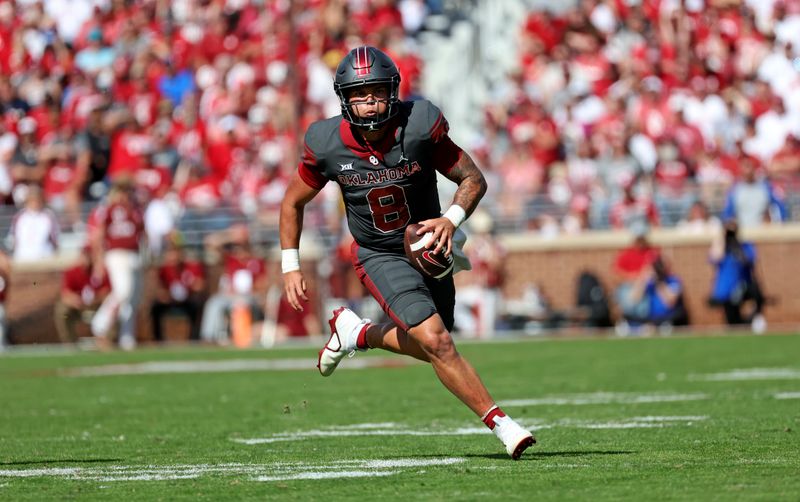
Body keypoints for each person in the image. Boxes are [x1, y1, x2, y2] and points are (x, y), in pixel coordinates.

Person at [279, 46, 534, 459]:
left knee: (438, 341)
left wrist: (450, 219)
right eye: (359, 94)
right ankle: (504, 426)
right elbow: (292, 202)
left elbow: (472, 178)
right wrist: (290, 265)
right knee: (438, 343)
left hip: (430, 247)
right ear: (344, 98)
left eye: (377, 92)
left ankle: (358, 332)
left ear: (393, 92)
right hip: (378, 253)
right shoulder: (327, 143)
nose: (369, 102)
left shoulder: (418, 125)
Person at [90, 178, 145, 350]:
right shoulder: (108, 210)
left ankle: (127, 338)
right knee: (122, 292)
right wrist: (98, 260)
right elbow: (98, 234)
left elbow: (143, 234)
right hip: (117, 254)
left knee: (133, 299)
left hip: (134, 256)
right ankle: (100, 325)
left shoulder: (136, 210)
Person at [708, 220, 766, 333]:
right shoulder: (722, 246)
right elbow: (715, 258)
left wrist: (737, 247)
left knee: (756, 291)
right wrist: (723, 240)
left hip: (743, 287)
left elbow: (750, 260)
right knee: (733, 324)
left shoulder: (745, 245)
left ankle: (754, 320)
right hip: (726, 293)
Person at [150, 233, 206, 343]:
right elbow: (158, 288)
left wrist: (194, 287)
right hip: (169, 300)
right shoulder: (164, 269)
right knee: (155, 308)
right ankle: (158, 340)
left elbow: (200, 285)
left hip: (187, 299)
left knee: (196, 306)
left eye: (176, 251)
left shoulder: (190, 266)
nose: (173, 255)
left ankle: (193, 339)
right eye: (171, 252)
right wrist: (164, 295)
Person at [617, 255, 689, 335]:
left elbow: (670, 302)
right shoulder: (650, 281)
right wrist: (643, 278)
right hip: (652, 318)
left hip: (669, 317)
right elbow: (634, 299)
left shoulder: (673, 280)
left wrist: (659, 282)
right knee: (629, 317)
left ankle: (649, 328)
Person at [54, 246, 111, 344]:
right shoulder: (72, 272)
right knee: (62, 310)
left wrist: (95, 299)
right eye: (84, 256)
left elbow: (108, 292)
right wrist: (75, 300)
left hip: (97, 306)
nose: (86, 259)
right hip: (78, 307)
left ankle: (109, 340)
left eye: (89, 256)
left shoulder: (100, 271)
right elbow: (65, 294)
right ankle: (70, 343)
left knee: (112, 306)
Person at [6, 185, 59, 262]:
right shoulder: (19, 217)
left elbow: (54, 239)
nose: (35, 203)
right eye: (32, 200)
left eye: (37, 200)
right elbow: (13, 238)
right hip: (22, 257)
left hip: (44, 257)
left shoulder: (48, 216)